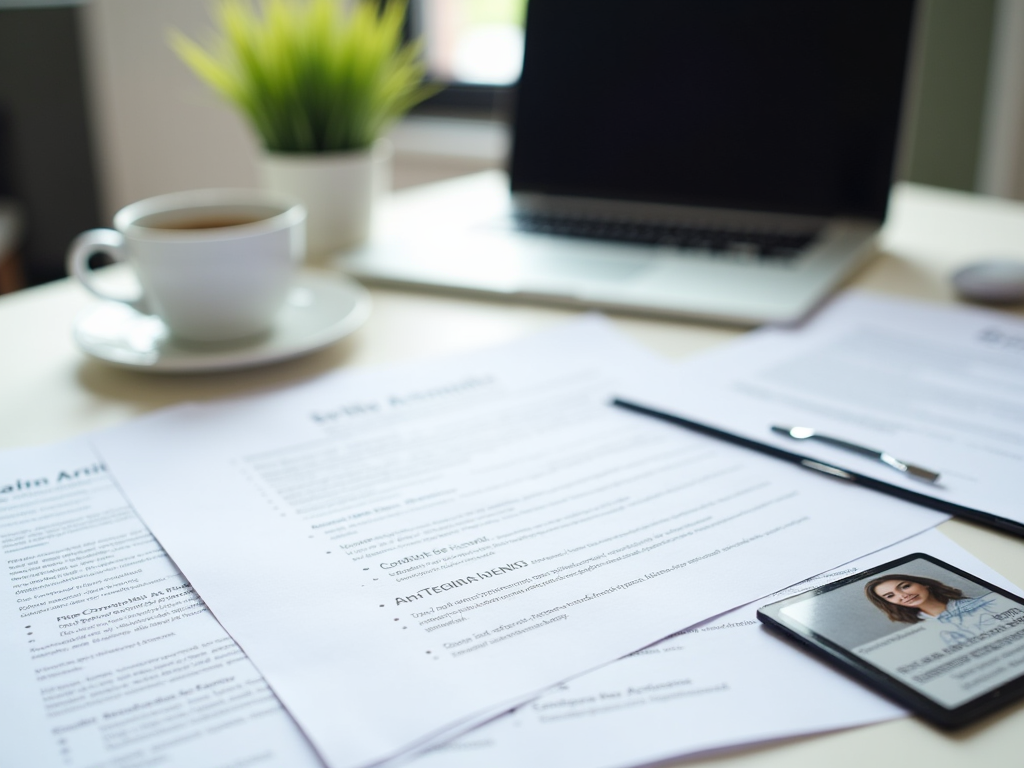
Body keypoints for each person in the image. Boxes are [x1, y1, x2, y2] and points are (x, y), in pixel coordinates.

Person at [865, 573, 999, 644]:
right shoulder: (923, 632)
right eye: (890, 595)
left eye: (905, 586)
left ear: (924, 585)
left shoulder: (982, 605)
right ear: (890, 603)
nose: (904, 595)